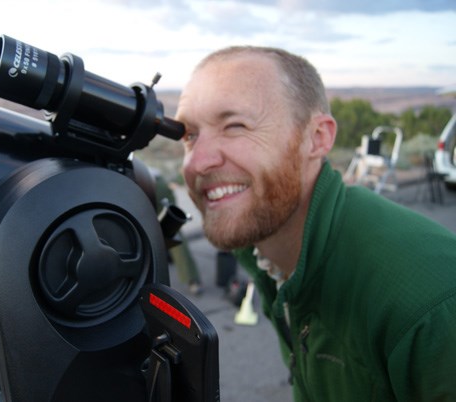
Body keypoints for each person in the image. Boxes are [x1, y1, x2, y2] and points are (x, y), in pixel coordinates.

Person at [175, 46, 456, 401]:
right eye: (189, 135)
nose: (197, 162)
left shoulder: (433, 305)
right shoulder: (268, 250)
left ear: (317, 138)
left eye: (234, 126)